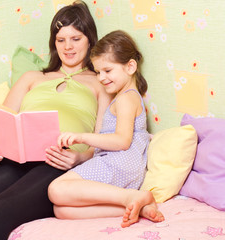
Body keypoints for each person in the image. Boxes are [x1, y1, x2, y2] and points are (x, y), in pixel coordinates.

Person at [0, 1, 112, 239]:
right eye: (61, 40)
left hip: (58, 164)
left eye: (76, 38)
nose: (68, 47)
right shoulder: (32, 77)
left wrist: (81, 157)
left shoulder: (100, 83)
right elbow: (1, 124)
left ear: (90, 39)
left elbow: (105, 138)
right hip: (14, 160)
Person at [48, 30, 165, 228]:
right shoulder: (123, 96)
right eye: (98, 72)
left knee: (56, 189)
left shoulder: (127, 98)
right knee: (61, 210)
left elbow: (122, 141)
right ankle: (138, 206)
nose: (101, 78)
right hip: (125, 169)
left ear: (130, 66)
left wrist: (83, 137)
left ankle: (131, 197)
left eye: (108, 71)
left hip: (118, 163)